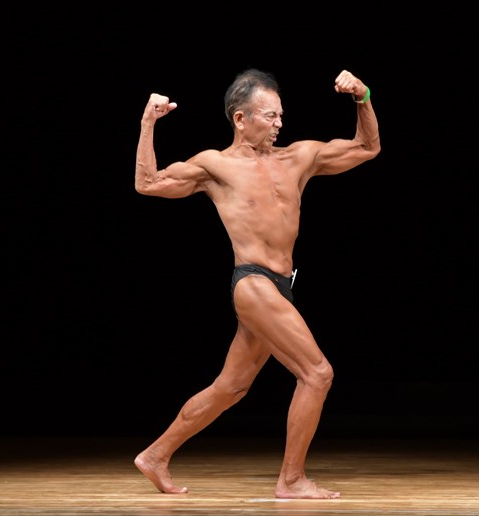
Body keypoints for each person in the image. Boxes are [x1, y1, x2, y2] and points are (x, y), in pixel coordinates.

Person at [133, 68, 380, 499]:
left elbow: (367, 147)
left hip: (280, 286)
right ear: (240, 119)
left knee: (230, 388)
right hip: (252, 284)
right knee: (317, 373)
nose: (280, 123)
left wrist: (363, 97)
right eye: (270, 115)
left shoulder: (298, 157)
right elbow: (148, 183)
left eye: (281, 114)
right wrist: (148, 122)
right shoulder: (215, 165)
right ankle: (292, 480)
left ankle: (155, 455)